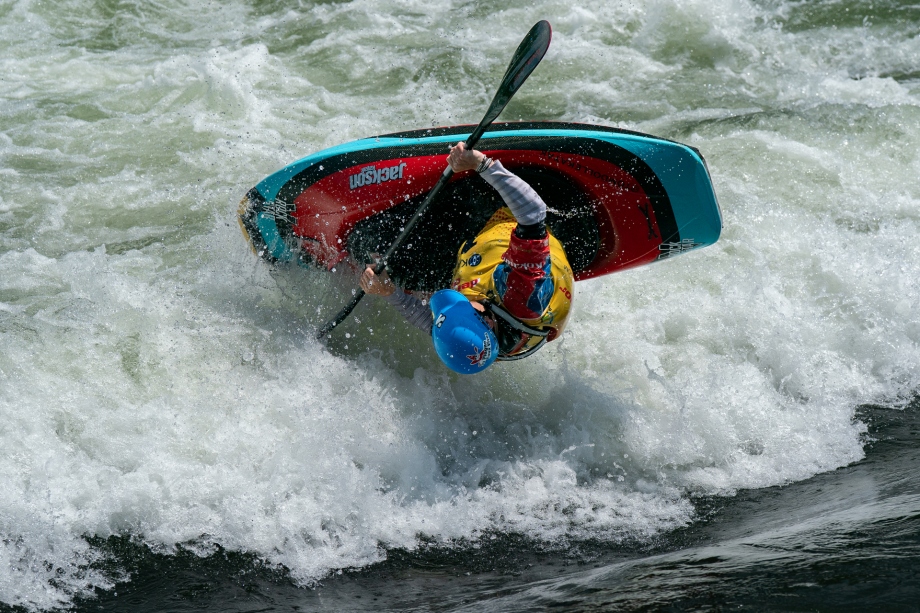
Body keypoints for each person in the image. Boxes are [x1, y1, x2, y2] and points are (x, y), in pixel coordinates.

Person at [359, 142, 574, 374]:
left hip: (481, 255)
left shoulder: (483, 344)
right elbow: (533, 213)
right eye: (461, 308)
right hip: (523, 217)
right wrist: (480, 163)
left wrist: (388, 291)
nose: (452, 310)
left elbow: (434, 325)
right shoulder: (520, 294)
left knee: (382, 256)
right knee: (386, 234)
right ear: (488, 320)